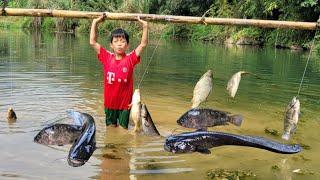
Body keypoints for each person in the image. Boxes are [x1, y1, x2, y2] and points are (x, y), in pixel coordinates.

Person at [90, 14, 148, 129]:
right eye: (116, 41)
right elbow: (92, 42)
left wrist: (145, 27)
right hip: (109, 104)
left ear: (127, 45)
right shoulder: (106, 57)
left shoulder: (131, 59)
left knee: (123, 130)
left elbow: (143, 44)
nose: (120, 44)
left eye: (122, 41)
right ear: (111, 45)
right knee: (110, 130)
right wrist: (95, 23)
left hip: (124, 105)